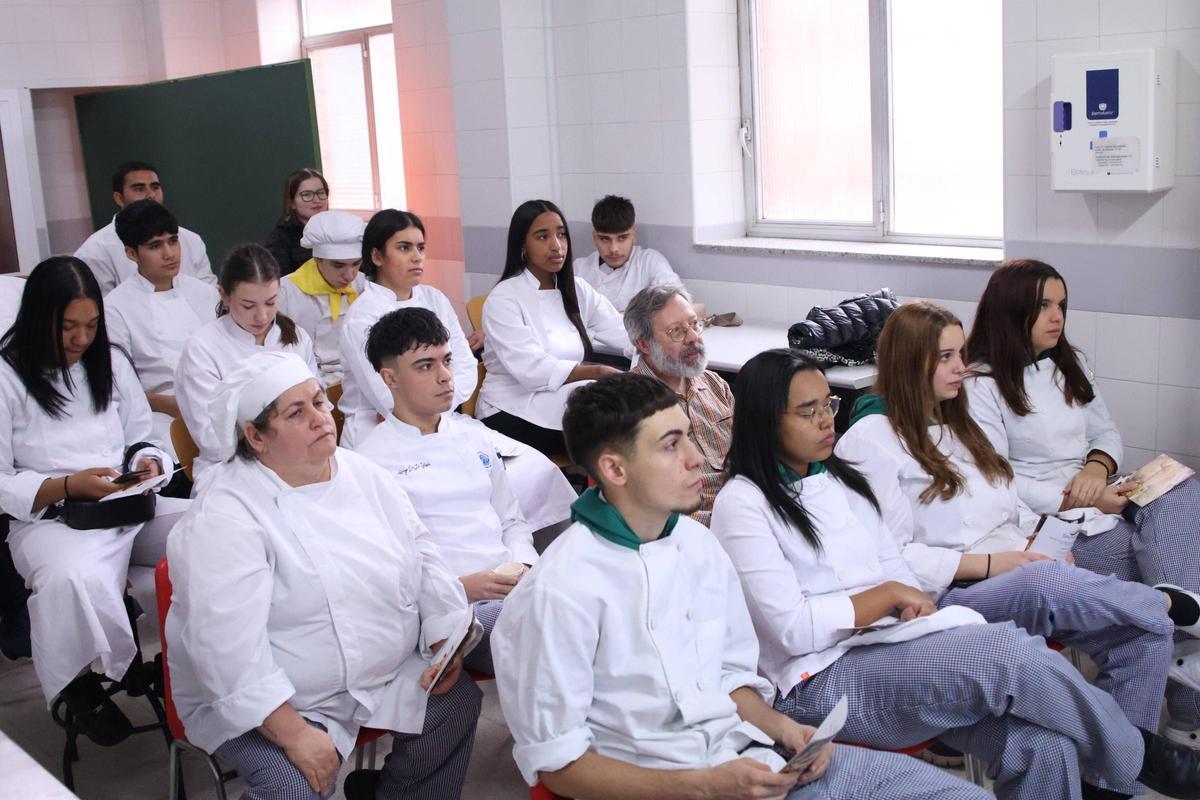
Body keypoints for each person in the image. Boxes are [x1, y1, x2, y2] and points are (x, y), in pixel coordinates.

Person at [710, 347, 1200, 800]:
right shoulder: (743, 503)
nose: (825, 421)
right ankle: (1142, 757)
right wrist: (887, 598)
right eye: (808, 411)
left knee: (1045, 746)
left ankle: (1123, 761)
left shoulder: (840, 479)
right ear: (763, 420)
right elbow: (791, 629)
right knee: (1005, 653)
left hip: (895, 641)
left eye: (828, 404)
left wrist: (905, 602)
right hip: (820, 679)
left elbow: (895, 567)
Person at [492, 372, 991, 800]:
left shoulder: (697, 544)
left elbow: (729, 678)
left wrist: (786, 731)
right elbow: (558, 765)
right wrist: (705, 785)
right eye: (671, 445)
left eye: (689, 436)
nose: (696, 458)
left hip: (748, 764)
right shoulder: (558, 590)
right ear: (614, 469)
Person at [836, 300, 1200, 744]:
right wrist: (996, 565)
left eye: (961, 354)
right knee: (1048, 582)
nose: (961, 368)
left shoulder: (960, 426)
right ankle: (1165, 603)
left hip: (1019, 564)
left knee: (1146, 636)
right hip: (952, 590)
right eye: (946, 357)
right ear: (910, 362)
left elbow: (1008, 506)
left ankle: (1115, 779)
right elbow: (889, 560)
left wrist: (1040, 538)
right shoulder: (872, 441)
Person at [166, 351, 480, 799]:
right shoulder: (226, 516)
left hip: (378, 678)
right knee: (292, 788)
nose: (321, 419)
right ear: (256, 436)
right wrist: (294, 734)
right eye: (298, 413)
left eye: (319, 401)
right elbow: (226, 649)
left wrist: (442, 638)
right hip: (276, 703)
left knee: (455, 703)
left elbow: (422, 554)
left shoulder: (364, 475)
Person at [964, 259, 1200, 743]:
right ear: (1011, 312)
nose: (1058, 317)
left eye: (1062, 305)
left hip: (1098, 489)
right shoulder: (979, 384)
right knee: (1153, 556)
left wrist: (1097, 469)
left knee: (1182, 488)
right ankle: (1187, 711)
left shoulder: (1070, 361)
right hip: (1044, 517)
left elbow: (1107, 431)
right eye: (1044, 306)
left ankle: (1189, 632)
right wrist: (1078, 496)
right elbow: (997, 479)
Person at [0, 257, 189, 744]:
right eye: (68, 328)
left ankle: (182, 662)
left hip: (126, 504)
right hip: (53, 519)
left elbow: (140, 436)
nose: (81, 340)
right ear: (39, 318)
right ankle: (81, 684)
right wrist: (67, 486)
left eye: (90, 326)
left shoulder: (108, 360)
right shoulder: (6, 376)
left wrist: (148, 463)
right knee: (73, 579)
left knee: (210, 532)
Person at [356, 308, 537, 674]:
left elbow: (511, 520)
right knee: (550, 627)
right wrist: (462, 588)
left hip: (510, 584)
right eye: (425, 366)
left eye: (447, 360)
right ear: (390, 378)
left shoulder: (475, 439)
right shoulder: (371, 463)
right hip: (454, 609)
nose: (444, 377)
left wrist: (526, 565)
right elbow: (388, 575)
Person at [478, 199, 629, 455]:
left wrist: (657, 347)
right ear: (522, 245)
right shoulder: (504, 298)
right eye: (542, 236)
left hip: (562, 397)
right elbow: (531, 370)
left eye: (561, 235)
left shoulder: (576, 288)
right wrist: (599, 372)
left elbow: (622, 332)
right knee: (616, 432)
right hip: (510, 409)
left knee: (632, 418)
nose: (556, 245)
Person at [175, 244, 318, 484]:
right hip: (232, 468)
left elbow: (316, 403)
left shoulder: (296, 337)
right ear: (224, 296)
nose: (261, 316)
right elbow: (213, 439)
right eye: (248, 306)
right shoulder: (202, 349)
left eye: (271, 303)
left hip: (300, 456)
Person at [338, 209, 476, 449]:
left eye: (420, 248)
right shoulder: (362, 317)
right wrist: (438, 399)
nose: (417, 257)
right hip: (379, 431)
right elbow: (385, 396)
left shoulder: (435, 299)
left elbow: (465, 364)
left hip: (444, 419)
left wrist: (443, 402)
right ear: (377, 256)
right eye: (404, 248)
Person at [106, 200, 218, 461]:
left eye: (173, 241)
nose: (170, 253)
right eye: (155, 246)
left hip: (216, 401)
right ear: (131, 253)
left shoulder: (203, 293)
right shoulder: (116, 308)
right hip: (162, 413)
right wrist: (169, 405)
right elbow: (118, 388)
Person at [624, 284, 730, 525]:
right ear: (643, 344)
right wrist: (727, 521)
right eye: (676, 332)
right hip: (689, 528)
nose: (693, 338)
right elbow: (648, 505)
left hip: (741, 508)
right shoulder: (629, 405)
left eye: (694, 324)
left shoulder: (714, 384)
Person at [74, 161, 214, 293]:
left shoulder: (191, 240)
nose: (150, 195)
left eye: (155, 187)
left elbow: (211, 296)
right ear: (119, 198)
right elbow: (100, 310)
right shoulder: (95, 251)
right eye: (139, 189)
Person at [278, 210, 367, 385]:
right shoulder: (285, 292)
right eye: (338, 265)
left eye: (356, 264)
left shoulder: (364, 287)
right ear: (318, 259)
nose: (349, 275)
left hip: (357, 378)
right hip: (304, 381)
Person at [572, 194, 681, 312]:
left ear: (634, 235)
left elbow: (676, 303)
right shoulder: (579, 269)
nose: (614, 248)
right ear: (594, 237)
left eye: (622, 238)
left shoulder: (650, 262)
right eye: (605, 239)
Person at [264, 168, 330, 274]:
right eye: (306, 195)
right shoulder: (280, 239)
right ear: (292, 203)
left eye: (320, 193)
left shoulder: (337, 228)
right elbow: (281, 281)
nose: (316, 200)